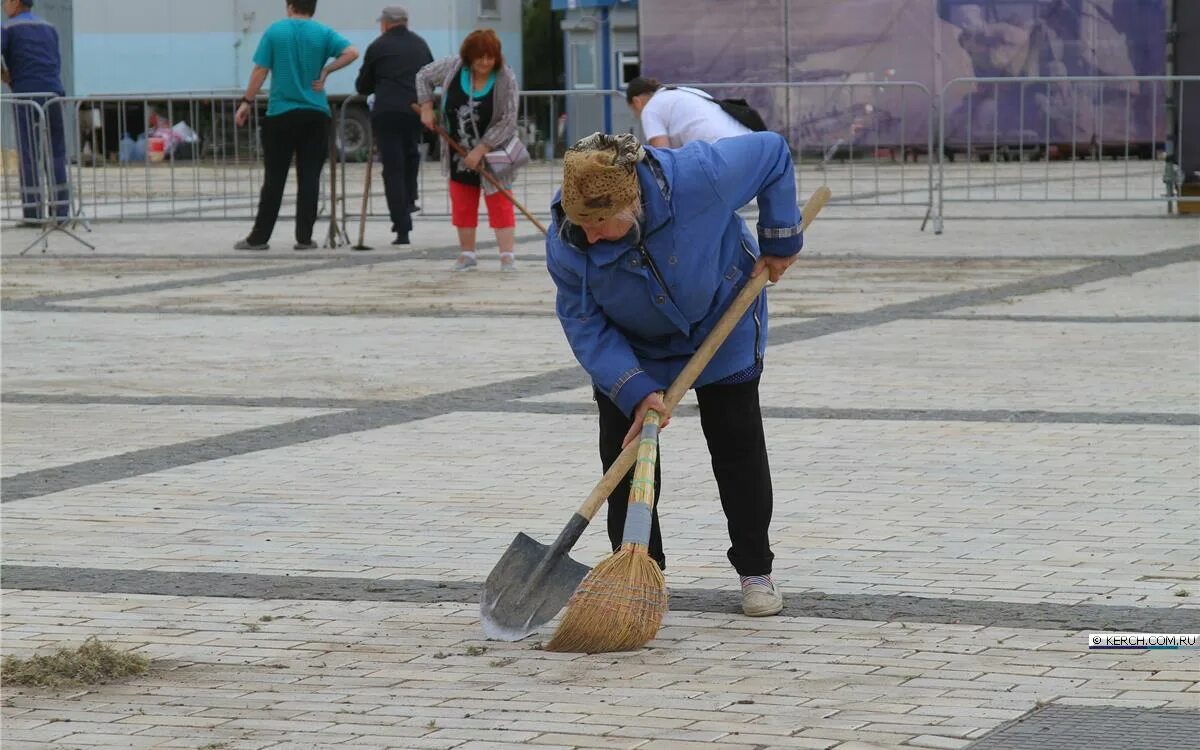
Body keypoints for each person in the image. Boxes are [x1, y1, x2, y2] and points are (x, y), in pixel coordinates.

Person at [545, 132, 804, 617]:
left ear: (634, 204)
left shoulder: (699, 177)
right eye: (584, 225)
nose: (591, 236)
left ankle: (756, 569)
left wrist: (780, 237)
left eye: (602, 224)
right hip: (631, 346)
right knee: (625, 454)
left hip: (721, 318)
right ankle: (639, 572)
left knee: (736, 443)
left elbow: (772, 153)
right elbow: (583, 322)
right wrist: (634, 388)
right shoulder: (567, 239)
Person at [233, 0, 357, 251]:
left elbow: (260, 70)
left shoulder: (276, 31)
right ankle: (304, 238)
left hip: (281, 113)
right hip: (315, 113)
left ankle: (259, 237)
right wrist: (326, 71)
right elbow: (352, 52)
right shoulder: (323, 32)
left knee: (274, 178)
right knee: (310, 176)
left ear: (289, 6)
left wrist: (247, 101)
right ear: (312, 8)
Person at [416, 29, 520, 272]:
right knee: (462, 201)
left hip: (496, 151)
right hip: (457, 150)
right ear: (468, 57)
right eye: (479, 57)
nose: (485, 63)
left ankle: (507, 256)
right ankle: (467, 254)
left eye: (490, 57)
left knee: (500, 201)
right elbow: (423, 76)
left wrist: (482, 149)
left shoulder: (506, 78)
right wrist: (426, 106)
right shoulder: (453, 67)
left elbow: (509, 119)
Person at [355, 5, 432, 246]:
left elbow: (362, 85)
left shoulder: (378, 46)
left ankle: (402, 227)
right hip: (414, 110)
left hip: (387, 111)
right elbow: (431, 75)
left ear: (386, 23)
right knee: (411, 156)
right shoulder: (420, 45)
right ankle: (409, 199)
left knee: (393, 169)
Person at [1, 0, 69, 223]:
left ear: (16, 3)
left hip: (26, 97)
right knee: (56, 153)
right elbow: (56, 63)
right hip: (54, 95)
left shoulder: (8, 28)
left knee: (29, 155)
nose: (3, 6)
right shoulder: (50, 28)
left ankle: (33, 214)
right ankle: (61, 212)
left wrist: (5, 76)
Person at [625, 76, 753, 149]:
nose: (637, 116)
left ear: (637, 102)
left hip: (719, 151)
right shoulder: (682, 91)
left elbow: (662, 157)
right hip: (749, 142)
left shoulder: (650, 108)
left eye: (634, 111)